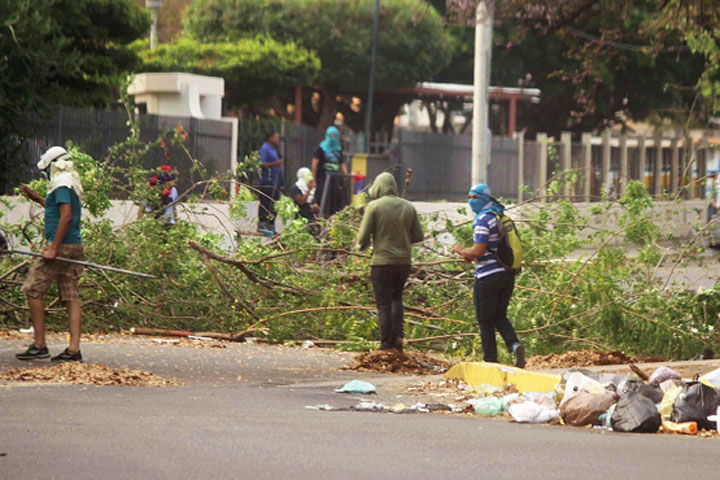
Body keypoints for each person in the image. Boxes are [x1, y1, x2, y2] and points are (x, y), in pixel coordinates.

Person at [16, 146, 85, 362]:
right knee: (71, 296)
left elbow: (65, 217)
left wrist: (53, 246)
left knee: (32, 289)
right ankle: (74, 350)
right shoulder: (70, 180)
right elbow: (57, 209)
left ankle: (39, 344)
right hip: (75, 245)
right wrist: (37, 198)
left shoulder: (61, 182)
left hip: (61, 246)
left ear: (53, 165)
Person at [451, 183, 525, 368]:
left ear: (483, 199)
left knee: (484, 320)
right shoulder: (498, 216)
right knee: (499, 315)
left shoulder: (483, 219)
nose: (470, 201)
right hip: (506, 275)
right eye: (469, 197)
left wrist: (461, 250)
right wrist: (471, 255)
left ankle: (490, 361)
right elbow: (489, 250)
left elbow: (479, 250)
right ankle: (514, 344)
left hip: (488, 277)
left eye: (474, 197)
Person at [356, 172, 424, 351]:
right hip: (403, 263)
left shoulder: (374, 207)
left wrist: (360, 247)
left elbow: (362, 238)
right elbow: (418, 236)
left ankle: (386, 343)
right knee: (397, 298)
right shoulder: (408, 207)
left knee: (383, 303)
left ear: (378, 187)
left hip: (381, 262)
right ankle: (398, 336)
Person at [312, 126, 348, 217]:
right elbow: (315, 164)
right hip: (323, 178)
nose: (332, 138)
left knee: (335, 200)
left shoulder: (338, 150)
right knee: (323, 200)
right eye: (330, 135)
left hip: (335, 179)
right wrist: (314, 180)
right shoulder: (320, 148)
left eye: (334, 136)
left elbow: (342, 163)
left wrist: (346, 174)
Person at [257, 130, 284, 233]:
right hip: (267, 180)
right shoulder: (265, 148)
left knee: (274, 204)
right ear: (270, 138)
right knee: (265, 203)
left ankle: (271, 225)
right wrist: (275, 164)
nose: (278, 140)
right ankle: (262, 225)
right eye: (276, 137)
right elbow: (261, 163)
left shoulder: (276, 149)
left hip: (276, 181)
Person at [289, 167, 320, 235]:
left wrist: (316, 208)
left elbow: (313, 201)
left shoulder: (311, 188)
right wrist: (308, 190)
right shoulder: (296, 188)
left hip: (310, 217)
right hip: (300, 216)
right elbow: (301, 202)